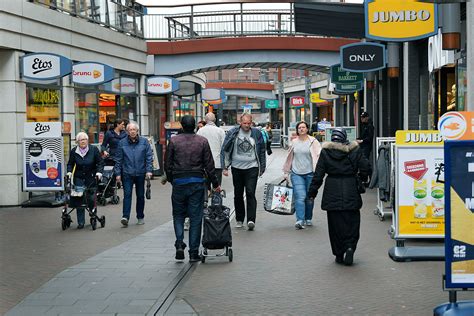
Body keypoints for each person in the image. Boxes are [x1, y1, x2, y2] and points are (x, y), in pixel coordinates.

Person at [307, 128, 371, 266]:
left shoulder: (325, 152)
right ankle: (350, 246)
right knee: (352, 221)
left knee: (335, 224)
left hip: (332, 190)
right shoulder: (355, 150)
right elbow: (366, 166)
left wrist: (312, 193)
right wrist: (362, 178)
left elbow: (318, 175)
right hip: (351, 188)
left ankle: (339, 253)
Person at [165, 115, 221, 262]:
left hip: (179, 182)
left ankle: (179, 242)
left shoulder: (174, 141)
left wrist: (172, 179)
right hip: (196, 182)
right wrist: (215, 184)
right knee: (196, 218)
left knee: (178, 215)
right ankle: (193, 252)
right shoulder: (202, 141)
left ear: (182, 126)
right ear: (195, 126)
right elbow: (209, 165)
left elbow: (168, 164)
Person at [221, 113, 266, 231]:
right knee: (238, 194)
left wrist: (262, 167)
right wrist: (225, 166)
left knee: (250, 192)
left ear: (251, 123)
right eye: (244, 123)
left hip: (252, 167)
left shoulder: (256, 133)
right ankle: (239, 219)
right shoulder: (233, 132)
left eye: (248, 123)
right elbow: (225, 148)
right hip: (237, 167)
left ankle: (251, 220)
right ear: (240, 122)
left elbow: (261, 150)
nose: (246, 125)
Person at [282, 121, 322, 229]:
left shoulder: (313, 141)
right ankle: (299, 220)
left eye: (303, 127)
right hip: (296, 174)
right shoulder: (294, 142)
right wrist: (286, 172)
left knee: (310, 198)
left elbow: (319, 156)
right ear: (297, 130)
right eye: (299, 128)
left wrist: (320, 171)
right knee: (300, 197)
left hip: (310, 174)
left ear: (307, 129)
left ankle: (308, 218)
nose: (301, 129)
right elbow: (289, 158)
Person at [114, 121, 153, 227]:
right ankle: (125, 217)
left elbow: (149, 157)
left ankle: (140, 216)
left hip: (140, 173)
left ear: (137, 131)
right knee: (127, 195)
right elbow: (118, 160)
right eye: (130, 130)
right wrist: (117, 174)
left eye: (134, 130)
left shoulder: (144, 142)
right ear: (127, 131)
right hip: (127, 173)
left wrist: (149, 171)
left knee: (140, 196)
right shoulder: (122, 143)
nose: (132, 132)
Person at [67, 132, 104, 229]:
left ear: (87, 140)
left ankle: (93, 216)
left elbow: (100, 163)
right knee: (79, 200)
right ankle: (81, 222)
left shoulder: (94, 150)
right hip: (78, 178)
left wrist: (99, 172)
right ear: (77, 142)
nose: (83, 141)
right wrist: (69, 172)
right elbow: (70, 164)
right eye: (81, 140)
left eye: (84, 139)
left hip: (91, 178)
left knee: (91, 199)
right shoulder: (74, 151)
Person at [197, 112, 226, 186]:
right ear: (215, 120)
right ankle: (216, 196)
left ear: (205, 120)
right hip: (217, 163)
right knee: (217, 185)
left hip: (204, 164)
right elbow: (224, 148)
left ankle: (206, 195)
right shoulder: (220, 131)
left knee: (205, 185)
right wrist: (225, 166)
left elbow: (197, 147)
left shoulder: (200, 131)